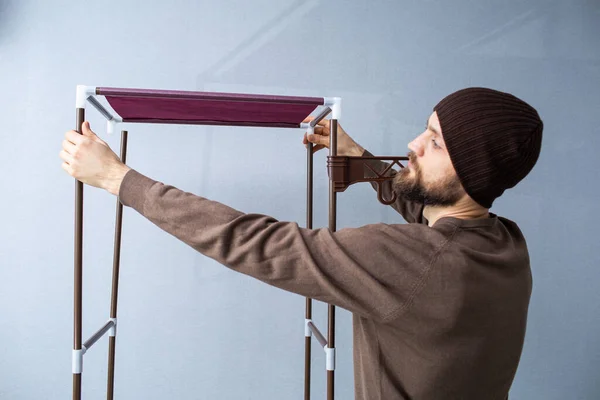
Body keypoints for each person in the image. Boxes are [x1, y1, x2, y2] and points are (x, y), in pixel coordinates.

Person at [59, 87, 543, 400]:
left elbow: (255, 242)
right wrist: (360, 159)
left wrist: (119, 179)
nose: (415, 143)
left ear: (471, 172)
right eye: (427, 127)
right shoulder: (504, 245)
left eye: (435, 142)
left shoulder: (413, 261)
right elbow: (430, 210)